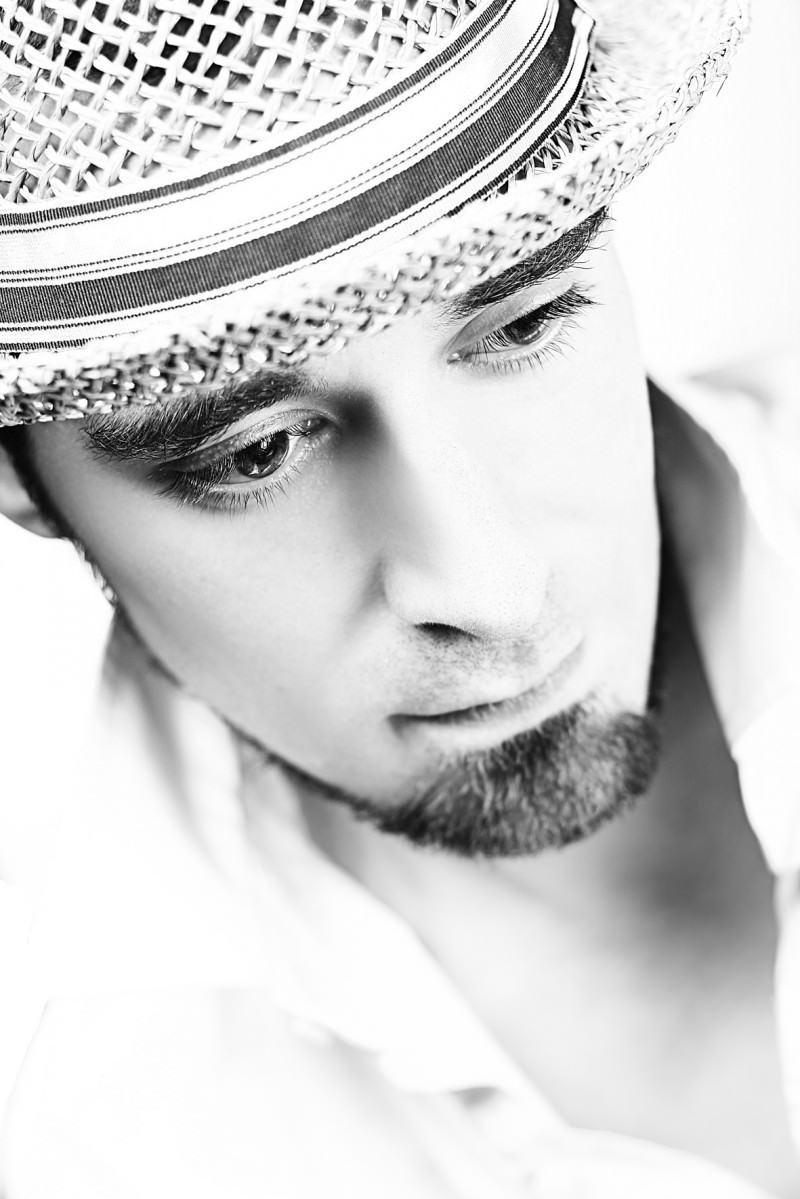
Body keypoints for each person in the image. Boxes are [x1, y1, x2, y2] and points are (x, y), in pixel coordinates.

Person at [0, 0, 798, 1195]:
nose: (489, 587)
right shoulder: (85, 1139)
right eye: (257, 452)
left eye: (524, 321)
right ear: (21, 479)